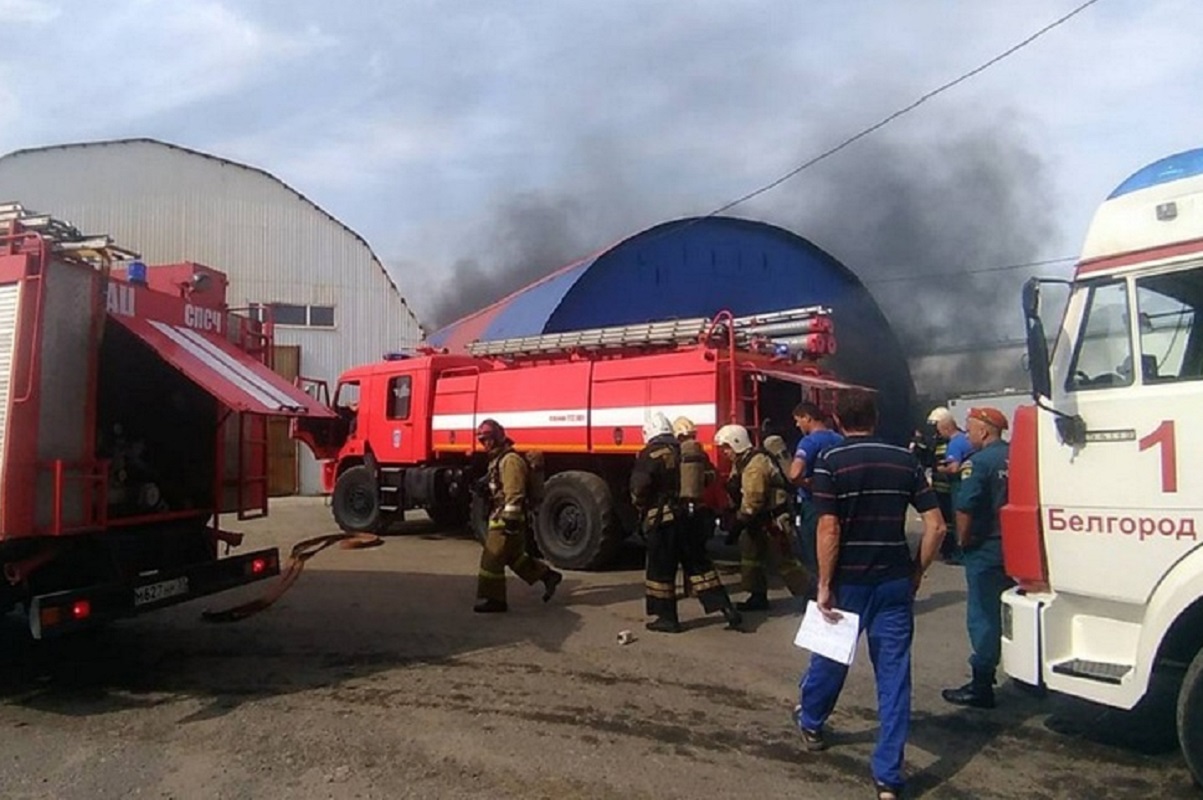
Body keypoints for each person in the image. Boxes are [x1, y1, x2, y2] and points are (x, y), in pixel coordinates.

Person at [794, 390, 946, 800]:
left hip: (848, 583)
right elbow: (936, 526)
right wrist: (916, 572)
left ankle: (811, 721)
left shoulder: (831, 461)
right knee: (895, 678)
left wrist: (825, 584)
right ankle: (888, 778)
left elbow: (829, 529)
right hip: (894, 582)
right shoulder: (906, 460)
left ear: (840, 422)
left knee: (830, 658)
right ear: (875, 418)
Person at [632, 413, 741, 632]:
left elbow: (639, 486)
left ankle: (667, 619)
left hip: (663, 521)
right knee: (700, 567)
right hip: (691, 518)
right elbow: (709, 477)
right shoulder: (686, 449)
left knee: (661, 570)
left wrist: (640, 506)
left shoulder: (650, 453)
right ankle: (728, 610)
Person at [942, 407, 1013, 709]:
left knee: (983, 615)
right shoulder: (1015, 456)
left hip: (985, 548)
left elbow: (965, 507)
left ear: (984, 431)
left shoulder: (978, 463)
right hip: (1016, 548)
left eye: (970, 428)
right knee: (1010, 611)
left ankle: (981, 685)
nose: (967, 434)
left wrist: (962, 541)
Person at [715, 423, 813, 611]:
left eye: (726, 447)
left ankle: (811, 594)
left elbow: (754, 499)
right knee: (751, 558)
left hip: (772, 522)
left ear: (736, 443)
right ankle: (757, 596)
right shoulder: (742, 462)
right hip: (758, 521)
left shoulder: (755, 465)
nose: (724, 452)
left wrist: (739, 523)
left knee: (785, 561)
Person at [474, 419, 563, 613]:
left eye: (488, 439)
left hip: (506, 518)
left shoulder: (510, 460)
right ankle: (548, 576)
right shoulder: (499, 459)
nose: (486, 444)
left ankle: (494, 600)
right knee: (514, 557)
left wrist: (511, 521)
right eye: (483, 440)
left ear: (498, 436)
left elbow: (515, 492)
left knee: (492, 558)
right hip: (501, 515)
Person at [789, 402, 844, 577]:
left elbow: (794, 473)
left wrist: (807, 485)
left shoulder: (809, 441)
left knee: (814, 556)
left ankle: (816, 597)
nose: (797, 425)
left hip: (813, 505)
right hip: (838, 504)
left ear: (808, 418)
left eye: (798, 420)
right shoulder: (839, 439)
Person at [930, 406, 972, 563]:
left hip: (957, 486)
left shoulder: (954, 444)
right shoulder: (966, 439)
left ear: (946, 428)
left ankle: (959, 553)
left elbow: (954, 468)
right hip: (967, 484)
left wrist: (941, 468)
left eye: (940, 430)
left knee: (957, 519)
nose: (938, 433)